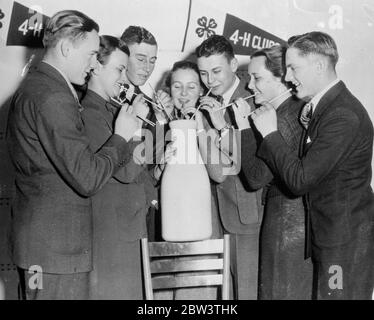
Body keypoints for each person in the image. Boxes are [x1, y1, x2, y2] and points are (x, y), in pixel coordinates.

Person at [6, 10, 140, 300]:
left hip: (45, 249)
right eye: (91, 54)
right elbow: (87, 178)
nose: (94, 64)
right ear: (66, 48)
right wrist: (121, 136)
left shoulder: (41, 86)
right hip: (55, 253)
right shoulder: (53, 97)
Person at [251, 31, 374, 300]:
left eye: (294, 68)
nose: (287, 77)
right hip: (333, 240)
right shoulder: (326, 107)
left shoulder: (342, 114)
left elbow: (299, 180)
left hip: (343, 245)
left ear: (319, 66)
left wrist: (270, 134)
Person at [231, 45, 313, 299]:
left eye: (257, 78)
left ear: (282, 80)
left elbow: (255, 177)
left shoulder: (285, 118)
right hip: (292, 220)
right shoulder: (284, 112)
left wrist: (243, 126)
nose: (250, 86)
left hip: (287, 221)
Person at [80, 35, 152, 299]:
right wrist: (136, 128)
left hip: (126, 228)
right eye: (119, 69)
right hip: (112, 235)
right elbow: (127, 172)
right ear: (96, 67)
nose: (124, 78)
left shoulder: (111, 110)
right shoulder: (90, 113)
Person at [195, 35, 263, 300]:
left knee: (246, 292)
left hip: (246, 214)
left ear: (234, 64)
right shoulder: (203, 101)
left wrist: (220, 126)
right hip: (212, 217)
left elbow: (254, 157)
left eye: (216, 71)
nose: (210, 80)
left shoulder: (255, 97)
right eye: (203, 73)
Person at [152, 60, 223, 300]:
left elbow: (218, 173)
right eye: (177, 87)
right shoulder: (159, 123)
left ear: (202, 90)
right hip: (169, 223)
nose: (184, 94)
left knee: (197, 295)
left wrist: (200, 127)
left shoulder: (213, 120)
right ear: (168, 89)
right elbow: (151, 177)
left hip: (200, 223)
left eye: (191, 87)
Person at [121, 26, 172, 241]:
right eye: (141, 59)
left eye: (152, 60)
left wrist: (161, 119)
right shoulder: (102, 96)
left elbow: (152, 160)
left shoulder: (147, 102)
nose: (148, 68)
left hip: (142, 210)